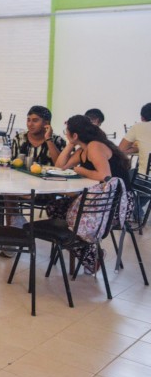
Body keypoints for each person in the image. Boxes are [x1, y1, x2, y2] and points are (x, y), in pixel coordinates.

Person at [45, 115, 132, 273]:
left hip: (118, 203)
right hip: (99, 200)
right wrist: (70, 144)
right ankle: (91, 254)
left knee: (65, 213)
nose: (65, 133)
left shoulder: (95, 147)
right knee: (55, 207)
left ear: (75, 134)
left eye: (67, 131)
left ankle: (90, 257)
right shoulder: (83, 150)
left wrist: (81, 170)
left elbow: (104, 176)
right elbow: (60, 167)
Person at [121, 102, 151, 174]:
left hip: (145, 179)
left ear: (142, 117)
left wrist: (138, 148)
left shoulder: (138, 127)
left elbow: (121, 150)